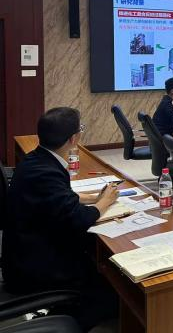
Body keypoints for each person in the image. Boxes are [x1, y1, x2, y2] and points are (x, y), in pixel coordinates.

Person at [2, 107, 120, 331]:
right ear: (74, 138)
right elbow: (79, 219)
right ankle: (60, 321)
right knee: (114, 294)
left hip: (27, 249)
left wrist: (92, 197)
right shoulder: (46, 171)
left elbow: (56, 197)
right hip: (35, 266)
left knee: (101, 269)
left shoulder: (37, 160)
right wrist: (105, 202)